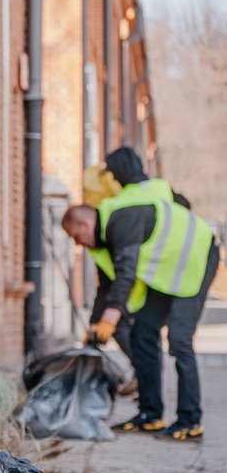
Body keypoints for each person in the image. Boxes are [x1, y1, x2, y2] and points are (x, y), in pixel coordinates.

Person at [62, 189, 220, 441]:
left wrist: (109, 321)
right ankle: (150, 415)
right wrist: (94, 327)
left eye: (76, 236)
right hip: (170, 271)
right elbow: (107, 288)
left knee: (179, 341)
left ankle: (190, 420)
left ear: (84, 223)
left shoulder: (121, 222)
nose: (77, 244)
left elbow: (126, 275)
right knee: (142, 332)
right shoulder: (103, 244)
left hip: (196, 258)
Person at [96, 147, 193, 398]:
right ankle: (148, 393)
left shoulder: (124, 202)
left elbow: (125, 262)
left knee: (147, 335)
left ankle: (149, 389)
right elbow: (185, 207)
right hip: (168, 268)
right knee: (144, 333)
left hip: (152, 273)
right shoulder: (162, 188)